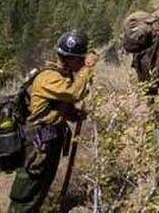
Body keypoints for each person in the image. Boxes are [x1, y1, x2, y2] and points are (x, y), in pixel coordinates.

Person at [8, 31, 98, 213]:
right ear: (67, 58)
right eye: (78, 59)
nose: (81, 63)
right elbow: (74, 93)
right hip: (38, 144)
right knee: (27, 193)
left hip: (50, 142)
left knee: (41, 188)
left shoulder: (63, 76)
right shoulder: (49, 77)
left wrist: (74, 114)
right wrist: (87, 69)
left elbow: (59, 104)